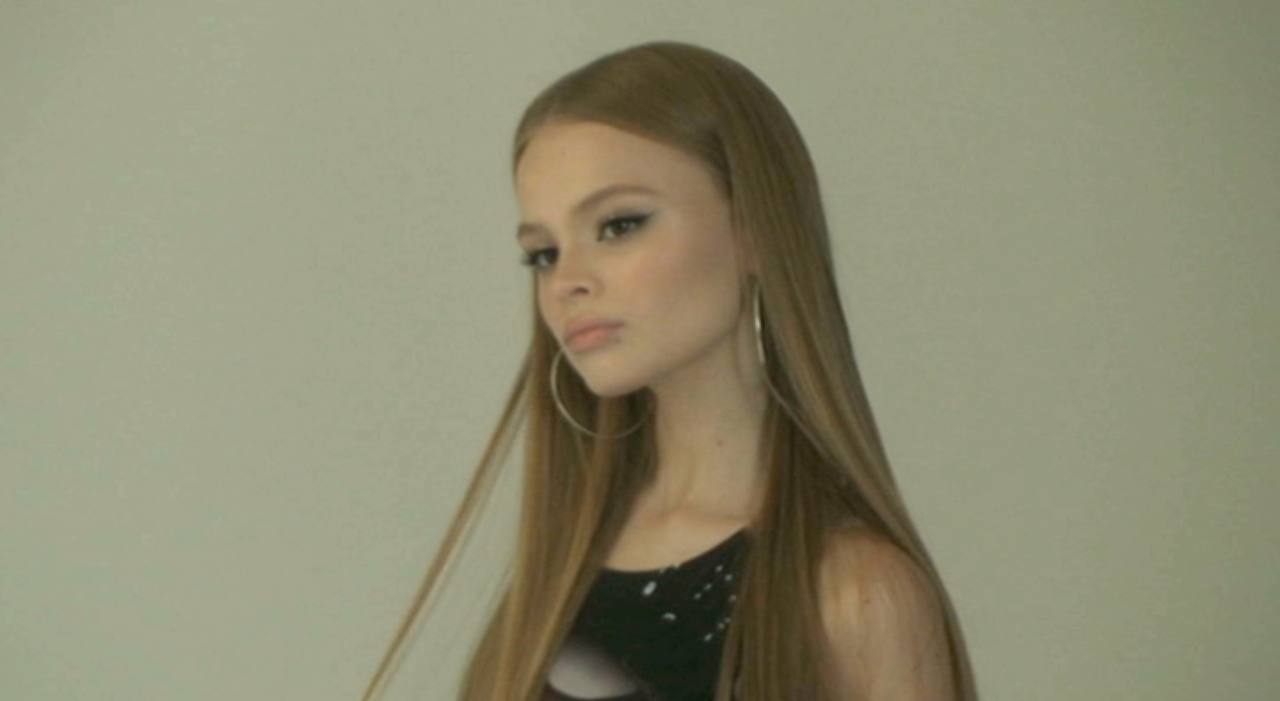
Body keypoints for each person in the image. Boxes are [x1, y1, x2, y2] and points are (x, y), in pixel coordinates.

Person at [362, 40, 978, 701]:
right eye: (542, 254)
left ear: (754, 229)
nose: (567, 281)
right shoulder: (552, 582)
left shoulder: (857, 597)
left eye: (619, 224)